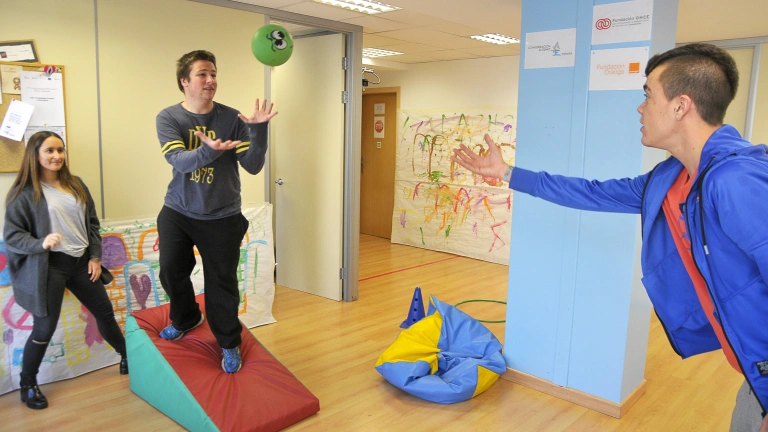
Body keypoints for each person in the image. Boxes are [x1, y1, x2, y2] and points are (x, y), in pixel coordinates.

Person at [451, 43, 767, 432]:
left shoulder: (736, 180)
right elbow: (591, 193)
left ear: (680, 106)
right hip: (753, 375)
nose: (640, 108)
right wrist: (507, 173)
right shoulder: (669, 178)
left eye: (648, 95)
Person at [155, 50, 277, 373]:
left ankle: (228, 342)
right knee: (170, 270)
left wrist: (259, 131)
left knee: (221, 285)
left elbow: (253, 165)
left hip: (222, 215)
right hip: (178, 211)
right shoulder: (169, 118)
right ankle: (186, 318)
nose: (210, 80)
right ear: (184, 81)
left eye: (213, 74)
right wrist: (208, 152)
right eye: (202, 74)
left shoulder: (231, 118)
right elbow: (179, 160)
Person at [4, 131, 128, 410]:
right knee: (44, 328)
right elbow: (13, 236)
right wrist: (40, 243)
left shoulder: (76, 184)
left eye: (60, 150)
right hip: (50, 267)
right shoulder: (24, 194)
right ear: (35, 155)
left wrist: (95, 256)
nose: (57, 156)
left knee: (105, 313)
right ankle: (27, 384)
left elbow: (92, 224)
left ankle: (128, 356)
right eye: (49, 151)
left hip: (82, 264)